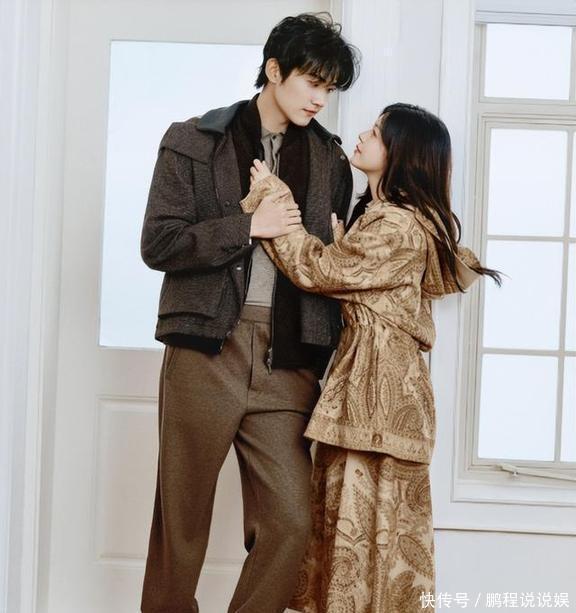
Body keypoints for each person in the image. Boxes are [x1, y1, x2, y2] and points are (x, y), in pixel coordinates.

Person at [139, 12, 360, 613]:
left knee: (290, 521)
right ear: (274, 70)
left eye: (330, 88)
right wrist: (247, 226)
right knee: (182, 519)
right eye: (312, 82)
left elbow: (327, 260)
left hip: (289, 355)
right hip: (206, 348)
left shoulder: (332, 161)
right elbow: (159, 243)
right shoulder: (192, 140)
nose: (320, 99)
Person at [241, 103, 502, 613]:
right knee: (356, 537)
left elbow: (318, 270)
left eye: (377, 133)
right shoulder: (389, 222)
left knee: (366, 536)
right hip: (370, 390)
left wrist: (275, 198)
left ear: (402, 153)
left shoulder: (397, 228)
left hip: (377, 399)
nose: (362, 136)